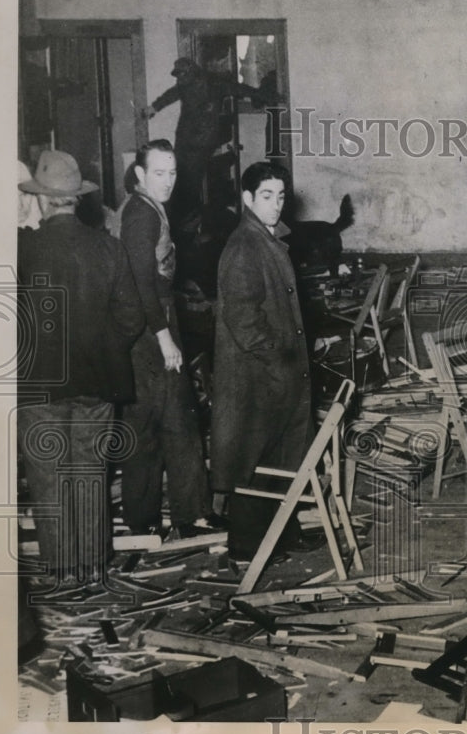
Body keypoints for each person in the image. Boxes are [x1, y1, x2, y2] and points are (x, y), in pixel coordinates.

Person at [18, 150, 145, 580]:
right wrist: (104, 349)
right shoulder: (108, 247)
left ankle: (62, 567)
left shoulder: (22, 250)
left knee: (48, 473)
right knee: (90, 470)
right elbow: (132, 318)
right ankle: (92, 565)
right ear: (77, 199)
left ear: (42, 199)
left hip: (37, 382)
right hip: (97, 378)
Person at [211, 161, 319, 562]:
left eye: (280, 196)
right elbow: (243, 318)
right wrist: (281, 357)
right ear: (247, 199)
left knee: (282, 455)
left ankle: (283, 534)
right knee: (253, 459)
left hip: (276, 372)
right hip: (257, 375)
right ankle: (245, 546)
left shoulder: (268, 238)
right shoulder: (244, 246)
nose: (276, 205)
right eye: (267, 197)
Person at [118, 139, 218, 538]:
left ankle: (172, 517)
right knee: (166, 423)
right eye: (159, 173)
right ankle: (177, 518)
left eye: (172, 172)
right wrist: (163, 337)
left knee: (168, 421)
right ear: (140, 174)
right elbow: (141, 280)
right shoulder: (141, 214)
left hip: (150, 324)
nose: (168, 181)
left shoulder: (146, 208)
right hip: (150, 330)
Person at [142, 58, 274, 257]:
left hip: (202, 141)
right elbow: (171, 94)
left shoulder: (214, 84)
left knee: (190, 184)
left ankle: (190, 230)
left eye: (183, 76)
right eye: (178, 77)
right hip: (186, 138)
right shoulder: (183, 85)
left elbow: (239, 89)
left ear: (193, 73)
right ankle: (183, 228)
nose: (181, 80)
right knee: (179, 181)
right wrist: (154, 107)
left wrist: (264, 95)